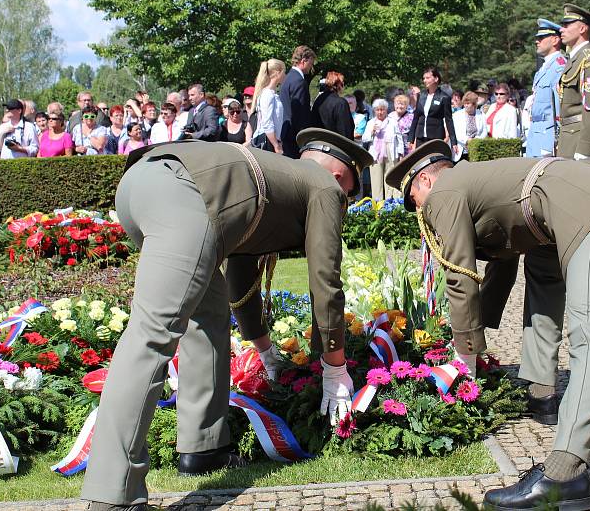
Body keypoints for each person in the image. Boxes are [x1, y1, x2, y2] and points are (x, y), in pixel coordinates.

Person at [80, 129, 372, 510]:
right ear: (339, 178)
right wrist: (335, 367)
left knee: (208, 315)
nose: (344, 200)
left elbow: (241, 270)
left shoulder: (274, 176)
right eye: (349, 193)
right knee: (152, 336)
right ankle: (111, 493)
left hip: (141, 185)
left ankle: (205, 445)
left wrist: (263, 347)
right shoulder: (324, 187)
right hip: (181, 195)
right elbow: (325, 279)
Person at [385, 140, 590, 511]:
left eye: (414, 199)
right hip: (577, 206)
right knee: (542, 269)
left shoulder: (444, 191)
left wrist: (465, 358)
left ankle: (566, 473)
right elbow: (502, 261)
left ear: (426, 179)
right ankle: (541, 393)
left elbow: (460, 275)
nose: (419, 209)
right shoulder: (477, 183)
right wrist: (477, 331)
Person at [557, 4, 590, 161]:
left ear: (582, 29)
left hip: (579, 142)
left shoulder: (589, 59)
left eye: (567, 25)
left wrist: (585, 148)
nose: (561, 29)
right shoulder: (575, 59)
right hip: (569, 139)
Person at [526, 19, 567, 158]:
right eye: (537, 38)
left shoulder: (559, 67)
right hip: (536, 133)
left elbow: (559, 107)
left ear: (555, 40)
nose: (537, 41)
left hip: (548, 136)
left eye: (542, 38)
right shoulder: (544, 68)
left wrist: (557, 141)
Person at [407, 66, 457, 154]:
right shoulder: (421, 95)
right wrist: (410, 138)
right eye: (424, 78)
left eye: (427, 78)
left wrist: (453, 142)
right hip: (420, 138)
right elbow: (416, 118)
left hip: (435, 139)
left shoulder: (444, 97)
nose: (424, 80)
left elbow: (449, 120)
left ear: (436, 79)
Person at [279, 45, 316, 158]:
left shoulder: (288, 78)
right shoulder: (299, 81)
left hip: (286, 134)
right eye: (311, 62)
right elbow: (300, 114)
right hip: (295, 137)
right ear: (304, 60)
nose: (311, 66)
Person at [362, 99, 401, 200]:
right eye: (378, 110)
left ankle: (390, 202)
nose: (380, 112)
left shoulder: (392, 122)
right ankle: (378, 204)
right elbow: (364, 139)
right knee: (376, 179)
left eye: (382, 110)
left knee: (389, 178)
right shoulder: (371, 123)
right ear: (374, 111)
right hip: (375, 153)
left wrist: (400, 153)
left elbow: (399, 138)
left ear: (386, 110)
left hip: (390, 151)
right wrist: (372, 132)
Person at [252, 58, 286, 153]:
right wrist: (276, 145)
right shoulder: (267, 94)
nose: (285, 75)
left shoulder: (271, 94)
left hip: (270, 139)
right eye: (284, 72)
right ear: (277, 73)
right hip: (266, 140)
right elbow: (267, 123)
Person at [311, 71, 354, 139]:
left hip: (318, 141)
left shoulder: (318, 100)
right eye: (342, 84)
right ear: (339, 85)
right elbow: (345, 130)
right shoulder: (341, 103)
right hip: (335, 145)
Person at [451, 91, 488, 161]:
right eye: (464, 103)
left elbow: (484, 132)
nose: (465, 105)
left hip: (476, 149)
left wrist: (476, 140)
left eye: (468, 103)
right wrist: (467, 140)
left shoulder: (481, 114)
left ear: (474, 104)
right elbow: (456, 132)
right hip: (461, 150)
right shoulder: (457, 115)